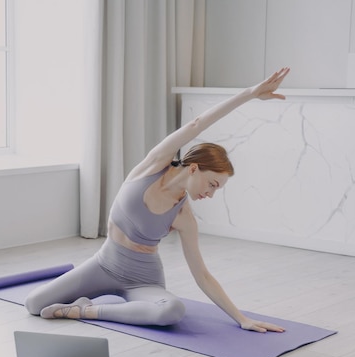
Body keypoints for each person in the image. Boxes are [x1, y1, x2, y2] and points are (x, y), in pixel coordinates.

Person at [25, 67, 290, 333]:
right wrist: (249, 94)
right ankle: (102, 305)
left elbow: (203, 276)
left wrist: (242, 318)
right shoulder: (152, 166)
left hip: (143, 281)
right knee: (35, 303)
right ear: (195, 167)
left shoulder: (184, 216)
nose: (210, 194)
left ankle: (87, 310)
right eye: (212, 184)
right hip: (103, 265)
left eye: (216, 190)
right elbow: (197, 124)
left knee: (171, 310)